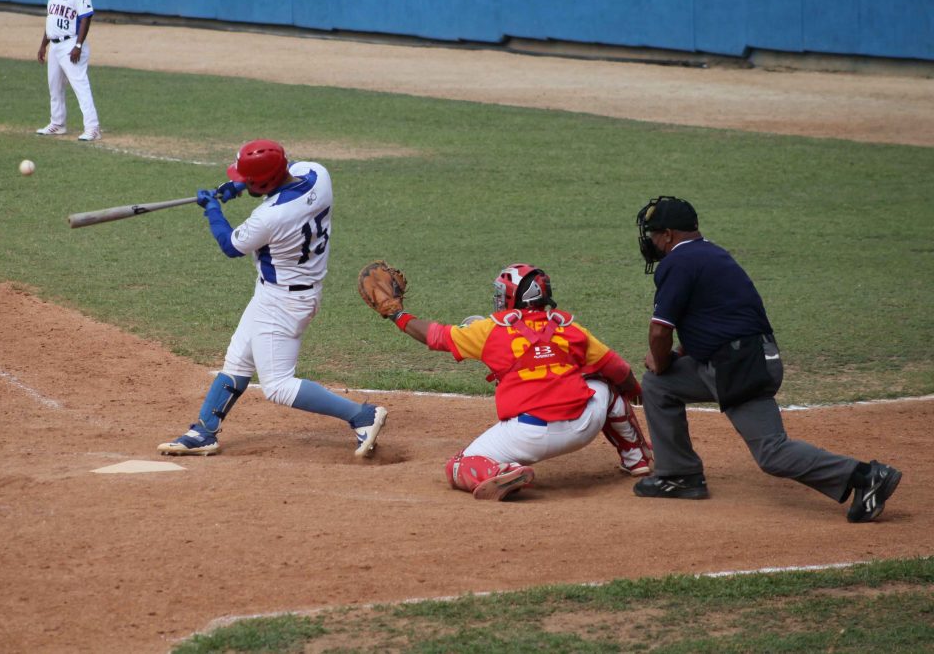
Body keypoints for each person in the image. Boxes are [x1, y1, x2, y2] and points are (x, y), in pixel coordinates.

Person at [632, 196, 902, 522]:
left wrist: (660, 359)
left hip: (738, 366)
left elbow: (660, 332)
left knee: (771, 453)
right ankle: (679, 474)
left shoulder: (678, 262)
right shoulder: (712, 254)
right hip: (748, 356)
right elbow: (714, 319)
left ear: (670, 234)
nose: (652, 242)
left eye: (654, 234)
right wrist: (674, 359)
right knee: (660, 385)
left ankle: (866, 476)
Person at [158, 139, 387, 457]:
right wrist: (238, 184)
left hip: (284, 303)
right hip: (280, 294)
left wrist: (213, 208)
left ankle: (361, 415)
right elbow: (290, 171)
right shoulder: (318, 175)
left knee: (278, 385)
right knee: (238, 358)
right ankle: (204, 431)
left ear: (263, 182)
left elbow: (229, 244)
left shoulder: (269, 216)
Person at [381, 263, 652, 500]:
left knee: (459, 466)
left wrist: (397, 314)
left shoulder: (490, 331)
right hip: (584, 425)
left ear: (510, 297)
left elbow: (435, 336)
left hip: (530, 435)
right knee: (605, 384)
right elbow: (619, 369)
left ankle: (505, 471)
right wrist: (634, 390)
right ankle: (636, 457)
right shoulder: (569, 327)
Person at [35, 0, 101, 142]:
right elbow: (51, 22)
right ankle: (58, 124)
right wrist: (43, 45)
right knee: (54, 86)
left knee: (80, 87)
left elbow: (86, 18)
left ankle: (93, 128)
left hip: (71, 44)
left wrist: (78, 45)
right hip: (55, 45)